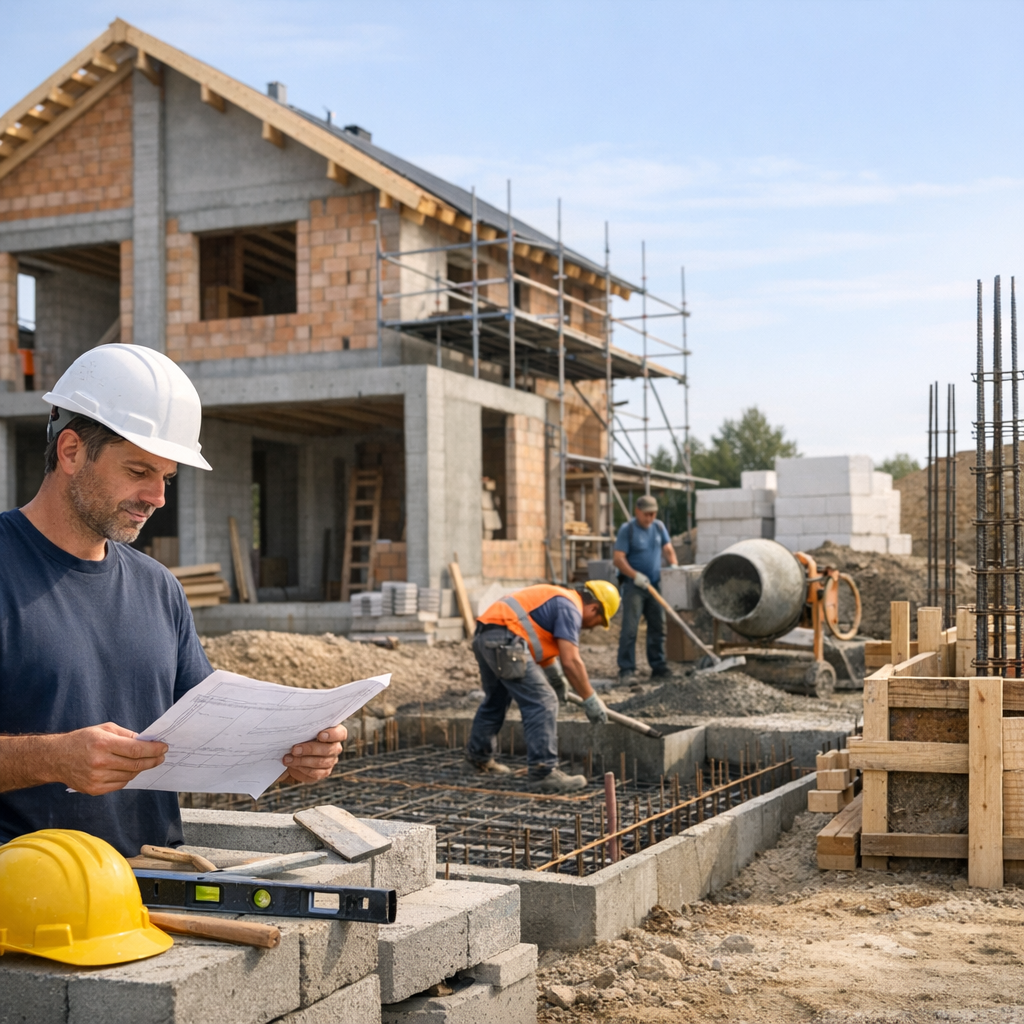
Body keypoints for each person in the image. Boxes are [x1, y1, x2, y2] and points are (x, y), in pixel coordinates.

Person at [0, 344, 347, 857]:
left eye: (166, 478)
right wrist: (51, 758)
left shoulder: (158, 587)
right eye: (139, 471)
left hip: (148, 892)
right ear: (71, 451)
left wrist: (289, 752)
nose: (157, 497)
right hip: (30, 904)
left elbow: (211, 734)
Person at [465, 580, 620, 793]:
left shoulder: (557, 599)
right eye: (597, 621)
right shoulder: (569, 606)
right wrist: (590, 698)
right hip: (505, 639)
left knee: (497, 699)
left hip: (486, 637)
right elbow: (571, 661)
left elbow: (536, 640)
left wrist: (555, 679)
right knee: (543, 701)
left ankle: (478, 758)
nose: (592, 627)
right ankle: (543, 772)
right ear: (594, 608)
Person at [613, 494, 678, 683]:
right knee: (630, 628)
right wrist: (635, 576)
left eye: (653, 514)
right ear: (637, 512)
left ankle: (658, 667)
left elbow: (668, 549)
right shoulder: (628, 530)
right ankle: (626, 669)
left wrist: (674, 567)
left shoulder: (658, 527)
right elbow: (618, 558)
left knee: (658, 626)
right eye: (646, 514)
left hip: (655, 585)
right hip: (635, 586)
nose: (649, 518)